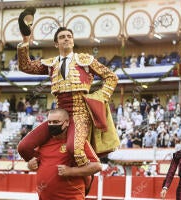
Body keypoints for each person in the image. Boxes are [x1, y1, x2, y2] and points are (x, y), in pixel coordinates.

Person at [17, 13, 118, 167]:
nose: (66, 39)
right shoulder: (51, 64)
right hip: (58, 115)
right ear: (56, 44)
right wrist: (25, 40)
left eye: (69, 36)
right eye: (62, 37)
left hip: (80, 113)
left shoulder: (85, 60)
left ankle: (82, 176)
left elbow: (111, 77)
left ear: (73, 41)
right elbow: (26, 66)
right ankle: (46, 164)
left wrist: (99, 97)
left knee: (75, 149)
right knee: (24, 147)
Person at [27, 108, 102, 199]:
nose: (51, 125)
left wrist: (71, 171)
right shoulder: (43, 142)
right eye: (49, 122)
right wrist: (30, 165)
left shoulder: (77, 142)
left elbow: (97, 166)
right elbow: (37, 164)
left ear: (66, 122)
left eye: (55, 122)